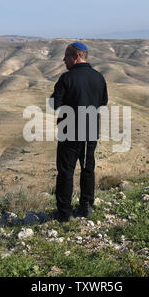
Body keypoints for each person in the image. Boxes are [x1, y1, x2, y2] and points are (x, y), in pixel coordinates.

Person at [50, 42, 108, 222]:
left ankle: (64, 213)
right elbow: (103, 102)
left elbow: (54, 104)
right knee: (87, 169)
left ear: (76, 57)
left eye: (66, 56)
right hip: (90, 132)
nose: (63, 59)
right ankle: (86, 207)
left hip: (69, 132)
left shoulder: (66, 78)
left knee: (66, 172)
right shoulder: (99, 77)